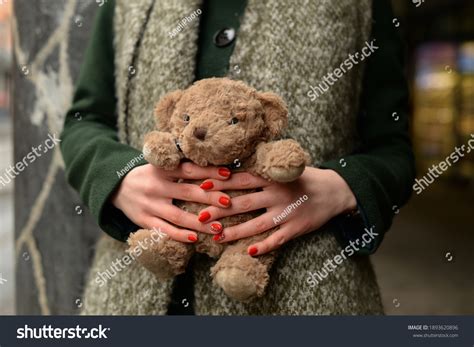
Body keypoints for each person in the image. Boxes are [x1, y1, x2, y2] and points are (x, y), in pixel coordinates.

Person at [60, 0, 415, 315]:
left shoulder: (362, 5)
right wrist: (119, 177)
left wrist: (342, 188)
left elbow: (393, 150)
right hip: (131, 296)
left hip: (308, 298)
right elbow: (84, 121)